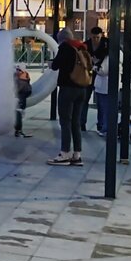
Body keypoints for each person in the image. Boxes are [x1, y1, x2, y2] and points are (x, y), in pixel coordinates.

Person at [47, 27, 93, 166]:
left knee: (65, 121)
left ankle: (65, 153)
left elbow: (56, 65)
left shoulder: (65, 48)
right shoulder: (82, 47)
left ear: (62, 39)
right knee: (76, 122)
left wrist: (51, 63)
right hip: (82, 88)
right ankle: (77, 155)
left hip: (68, 89)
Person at [82, 26, 109, 131]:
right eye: (94, 37)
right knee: (84, 99)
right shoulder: (86, 45)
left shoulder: (107, 43)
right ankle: (82, 123)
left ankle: (100, 124)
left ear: (101, 35)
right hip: (89, 75)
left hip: (101, 76)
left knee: (101, 103)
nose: (96, 40)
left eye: (98, 37)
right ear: (91, 36)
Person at [93, 54, 112, 138]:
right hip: (104, 86)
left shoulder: (108, 57)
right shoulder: (116, 55)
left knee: (104, 108)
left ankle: (104, 128)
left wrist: (95, 65)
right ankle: (102, 126)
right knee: (103, 108)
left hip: (104, 86)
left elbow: (103, 71)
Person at [14, 64, 33, 138]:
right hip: (22, 92)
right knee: (19, 109)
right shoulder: (21, 75)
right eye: (17, 69)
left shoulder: (22, 78)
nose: (17, 71)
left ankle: (18, 130)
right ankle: (18, 130)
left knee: (19, 108)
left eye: (19, 70)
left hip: (23, 92)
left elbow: (20, 88)